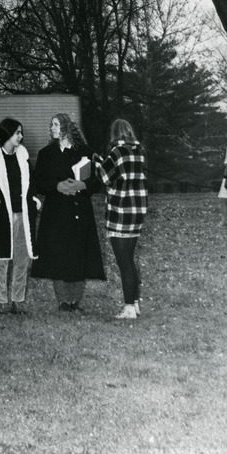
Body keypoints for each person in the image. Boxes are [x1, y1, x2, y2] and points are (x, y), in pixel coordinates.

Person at [30, 113, 105, 311]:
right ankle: (63, 301)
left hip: (79, 210)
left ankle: (75, 300)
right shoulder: (46, 154)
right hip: (56, 212)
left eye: (56, 125)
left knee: (79, 254)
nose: (52, 128)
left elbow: (96, 181)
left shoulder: (85, 151)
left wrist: (82, 185)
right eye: (51, 125)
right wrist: (56, 186)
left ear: (66, 128)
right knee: (58, 254)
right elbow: (39, 182)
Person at [0, 118, 41, 314]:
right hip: (3, 215)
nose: (21, 136)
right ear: (7, 134)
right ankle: (1, 301)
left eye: (21, 133)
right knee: (2, 259)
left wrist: (33, 199)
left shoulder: (22, 155)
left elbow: (31, 181)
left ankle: (18, 300)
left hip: (23, 214)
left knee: (22, 259)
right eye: (17, 133)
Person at [93, 118, 148, 320]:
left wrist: (98, 162)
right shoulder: (140, 151)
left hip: (120, 209)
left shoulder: (116, 152)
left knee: (123, 262)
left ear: (114, 134)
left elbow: (105, 178)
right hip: (137, 210)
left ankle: (128, 308)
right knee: (130, 261)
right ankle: (134, 303)